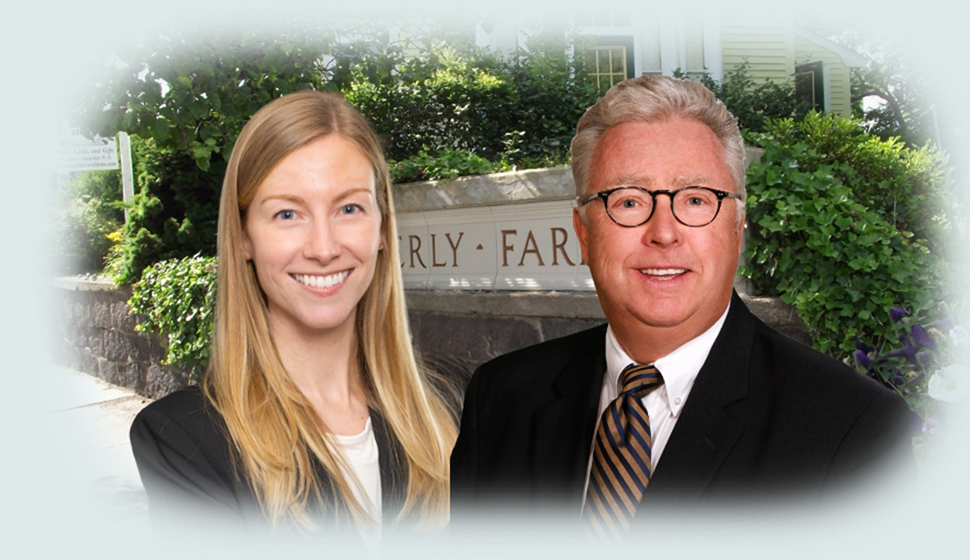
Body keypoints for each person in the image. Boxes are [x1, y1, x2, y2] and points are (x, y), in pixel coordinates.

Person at [449, 76, 914, 539]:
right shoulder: (501, 397)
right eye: (628, 201)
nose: (664, 232)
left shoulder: (854, 428)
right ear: (584, 233)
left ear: (737, 228)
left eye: (695, 199)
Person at [130, 90, 463, 539]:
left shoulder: (458, 401)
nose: (324, 248)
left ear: (382, 228)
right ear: (244, 237)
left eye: (349, 209)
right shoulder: (184, 440)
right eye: (287, 214)